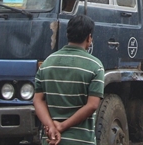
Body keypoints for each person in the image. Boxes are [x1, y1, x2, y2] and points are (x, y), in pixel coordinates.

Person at [34, 15, 105, 145]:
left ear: (68, 35)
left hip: (51, 140)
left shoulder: (47, 64)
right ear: (89, 38)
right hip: (81, 141)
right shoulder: (95, 66)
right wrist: (62, 126)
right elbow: (92, 105)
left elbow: (38, 100)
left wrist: (50, 126)